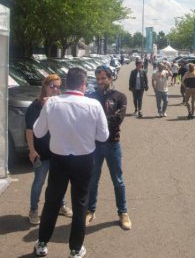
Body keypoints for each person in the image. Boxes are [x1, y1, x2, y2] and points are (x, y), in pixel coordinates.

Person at [33, 68, 109, 258]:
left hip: (59, 159)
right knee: (80, 203)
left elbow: (38, 132)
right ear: (83, 84)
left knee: (52, 201)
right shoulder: (93, 104)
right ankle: (75, 249)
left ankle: (42, 243)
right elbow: (103, 135)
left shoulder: (52, 103)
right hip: (84, 160)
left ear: (67, 84)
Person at [86, 66, 131, 230]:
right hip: (94, 145)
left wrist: (97, 119)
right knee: (92, 180)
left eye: (103, 78)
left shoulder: (120, 97)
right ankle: (90, 210)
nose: (100, 82)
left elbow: (117, 120)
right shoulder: (90, 97)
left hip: (113, 144)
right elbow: (86, 121)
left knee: (118, 181)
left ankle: (123, 212)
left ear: (110, 78)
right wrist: (102, 120)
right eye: (97, 79)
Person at [25, 74, 73, 225]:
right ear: (45, 86)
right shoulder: (35, 106)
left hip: (58, 151)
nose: (55, 89)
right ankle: (33, 210)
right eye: (51, 86)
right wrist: (32, 150)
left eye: (58, 87)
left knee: (60, 180)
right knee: (39, 182)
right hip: (42, 153)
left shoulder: (60, 105)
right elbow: (29, 130)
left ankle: (61, 205)